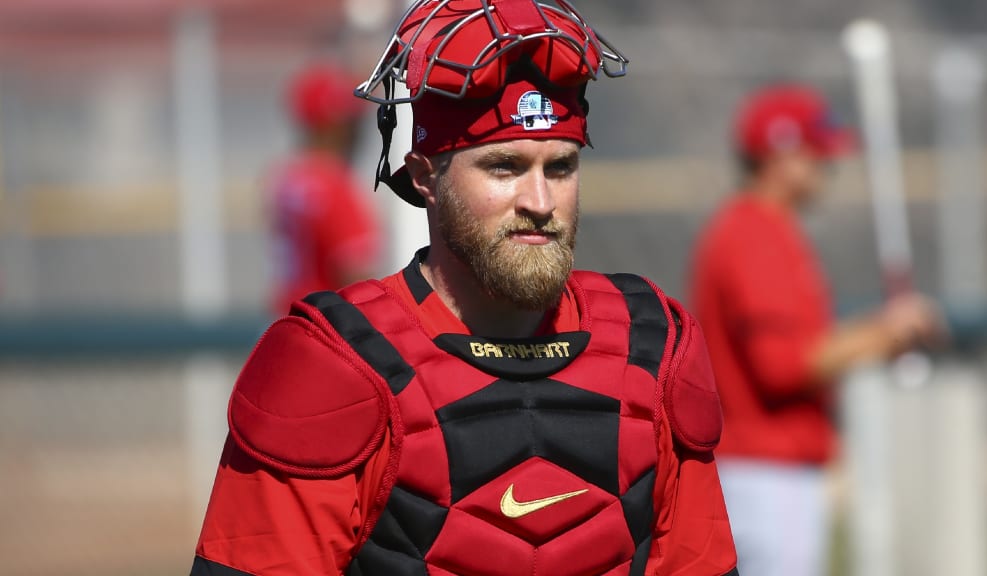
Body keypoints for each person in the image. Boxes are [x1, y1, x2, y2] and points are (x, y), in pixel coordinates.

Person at [190, 1, 737, 575]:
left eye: (560, 167)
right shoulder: (335, 367)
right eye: (504, 167)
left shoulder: (652, 349)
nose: (540, 202)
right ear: (425, 176)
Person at [687, 84, 945, 576]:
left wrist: (880, 332)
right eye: (814, 153)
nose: (826, 166)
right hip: (765, 470)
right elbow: (783, 367)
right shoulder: (754, 233)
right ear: (779, 157)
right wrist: (886, 334)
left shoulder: (762, 227)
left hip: (763, 469)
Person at [267, 61, 382, 314]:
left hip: (285, 320)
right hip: (325, 323)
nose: (359, 132)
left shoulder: (286, 177)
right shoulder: (334, 184)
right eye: (351, 123)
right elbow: (356, 277)